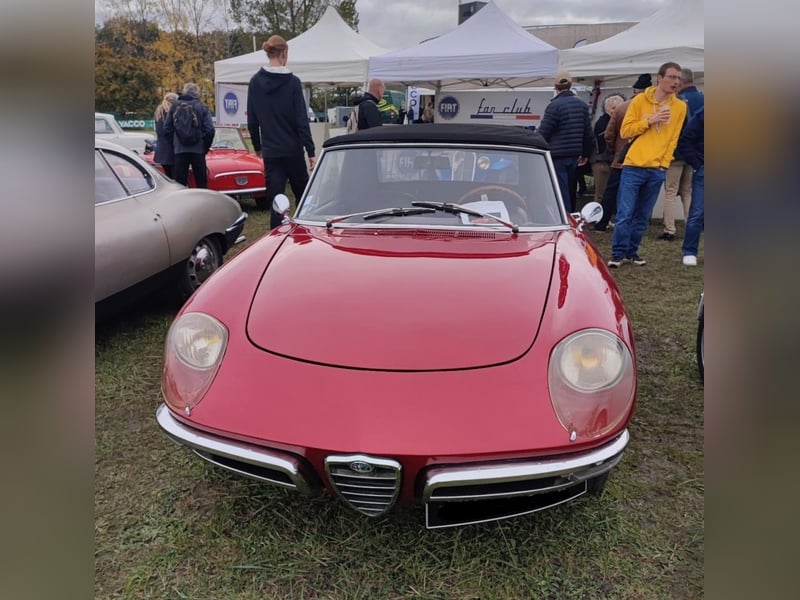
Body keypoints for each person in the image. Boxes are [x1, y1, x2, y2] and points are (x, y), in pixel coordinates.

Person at [607, 62, 687, 268]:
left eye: (678, 78)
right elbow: (625, 132)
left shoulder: (680, 107)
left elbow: (673, 138)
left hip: (656, 169)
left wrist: (664, 163)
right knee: (625, 213)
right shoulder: (640, 101)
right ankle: (618, 253)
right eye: (672, 77)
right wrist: (650, 120)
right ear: (660, 78)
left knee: (642, 215)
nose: (676, 82)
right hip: (634, 166)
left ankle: (632, 252)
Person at [247, 34, 317, 229]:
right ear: (284, 53)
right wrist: (310, 152)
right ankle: (307, 235)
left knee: (276, 202)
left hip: (271, 151)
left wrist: (258, 147)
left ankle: (276, 241)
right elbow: (301, 121)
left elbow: (252, 120)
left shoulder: (255, 82)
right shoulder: (293, 83)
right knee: (303, 199)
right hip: (293, 150)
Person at [593, 74, 652, 233]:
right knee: (639, 194)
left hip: (621, 157)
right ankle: (635, 225)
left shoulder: (622, 107)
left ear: (634, 89)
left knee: (611, 192)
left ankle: (601, 223)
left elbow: (608, 135)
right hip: (645, 159)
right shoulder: (653, 109)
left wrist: (614, 149)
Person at [536, 70, 594, 213]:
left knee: (560, 192)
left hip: (557, 155)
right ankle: (571, 215)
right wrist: (585, 154)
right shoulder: (582, 106)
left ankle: (564, 218)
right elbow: (588, 133)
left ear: (555, 87)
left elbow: (544, 132)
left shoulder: (554, 106)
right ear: (571, 85)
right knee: (570, 188)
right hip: (574, 156)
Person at [659, 68, 705, 241]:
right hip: (696, 154)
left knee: (670, 191)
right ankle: (691, 224)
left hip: (676, 152)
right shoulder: (704, 99)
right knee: (688, 191)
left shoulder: (677, 102)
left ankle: (670, 229)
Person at [163, 82, 215, 188]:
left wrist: (174, 144)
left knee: (179, 184)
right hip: (198, 149)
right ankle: (202, 203)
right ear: (197, 94)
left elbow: (167, 129)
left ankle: (181, 203)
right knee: (201, 182)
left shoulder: (174, 106)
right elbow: (210, 130)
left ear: (184, 91)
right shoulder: (202, 107)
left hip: (180, 150)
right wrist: (205, 147)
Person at [678, 106, 704, 266]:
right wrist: (697, 163)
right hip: (704, 168)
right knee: (697, 212)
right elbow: (686, 140)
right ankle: (689, 251)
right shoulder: (703, 114)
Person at [589, 94, 625, 206]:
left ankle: (603, 218)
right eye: (614, 108)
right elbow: (605, 141)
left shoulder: (605, 121)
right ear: (608, 109)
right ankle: (597, 219)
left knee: (605, 193)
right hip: (602, 161)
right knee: (601, 193)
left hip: (605, 161)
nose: (617, 111)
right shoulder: (604, 123)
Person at [153, 92, 177, 178]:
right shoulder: (171, 113)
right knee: (176, 179)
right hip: (172, 152)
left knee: (168, 177)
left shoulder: (159, 112)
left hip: (161, 151)